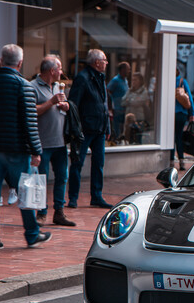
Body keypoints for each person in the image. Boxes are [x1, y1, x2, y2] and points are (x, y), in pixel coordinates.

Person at [0, 44, 50, 250]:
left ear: (1, 60)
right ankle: (32, 234)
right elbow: (29, 121)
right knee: (25, 193)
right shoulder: (23, 86)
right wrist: (36, 150)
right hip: (16, 149)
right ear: (19, 62)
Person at [30, 56, 76, 227]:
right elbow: (31, 111)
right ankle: (41, 212)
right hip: (42, 142)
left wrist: (66, 106)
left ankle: (59, 212)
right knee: (41, 179)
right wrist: (51, 102)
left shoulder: (58, 86)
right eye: (60, 68)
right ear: (52, 71)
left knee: (62, 177)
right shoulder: (32, 87)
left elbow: (62, 107)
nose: (62, 72)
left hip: (60, 142)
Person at [67, 49, 113, 209]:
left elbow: (104, 103)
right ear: (96, 62)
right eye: (105, 60)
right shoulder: (83, 78)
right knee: (77, 163)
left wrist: (107, 126)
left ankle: (97, 196)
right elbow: (73, 104)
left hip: (99, 129)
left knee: (98, 163)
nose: (107, 63)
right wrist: (76, 128)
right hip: (85, 130)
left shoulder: (100, 77)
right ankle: (73, 197)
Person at [173, 69, 194, 170]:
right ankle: (181, 161)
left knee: (171, 138)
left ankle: (170, 162)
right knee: (179, 137)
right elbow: (189, 97)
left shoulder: (168, 81)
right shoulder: (182, 81)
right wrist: (192, 113)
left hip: (170, 114)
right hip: (181, 114)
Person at [107, 61, 130, 141]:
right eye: (127, 69)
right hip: (117, 108)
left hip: (124, 109)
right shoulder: (115, 80)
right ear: (122, 69)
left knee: (123, 128)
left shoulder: (125, 80)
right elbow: (108, 91)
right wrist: (111, 105)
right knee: (116, 129)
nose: (129, 71)